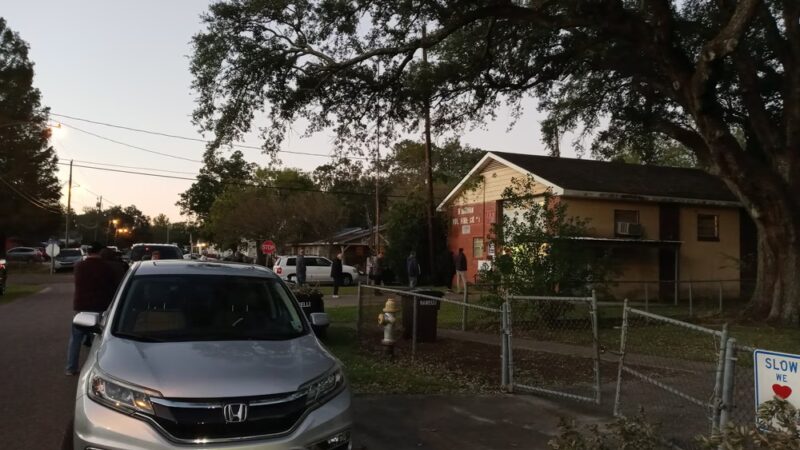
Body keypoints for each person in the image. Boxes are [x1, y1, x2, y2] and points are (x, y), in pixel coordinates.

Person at [66, 242, 116, 376]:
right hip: (100, 305)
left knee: (75, 339)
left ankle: (71, 367)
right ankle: (96, 369)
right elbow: (111, 286)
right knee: (98, 340)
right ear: (100, 252)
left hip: (82, 305)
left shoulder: (79, 266)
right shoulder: (106, 267)